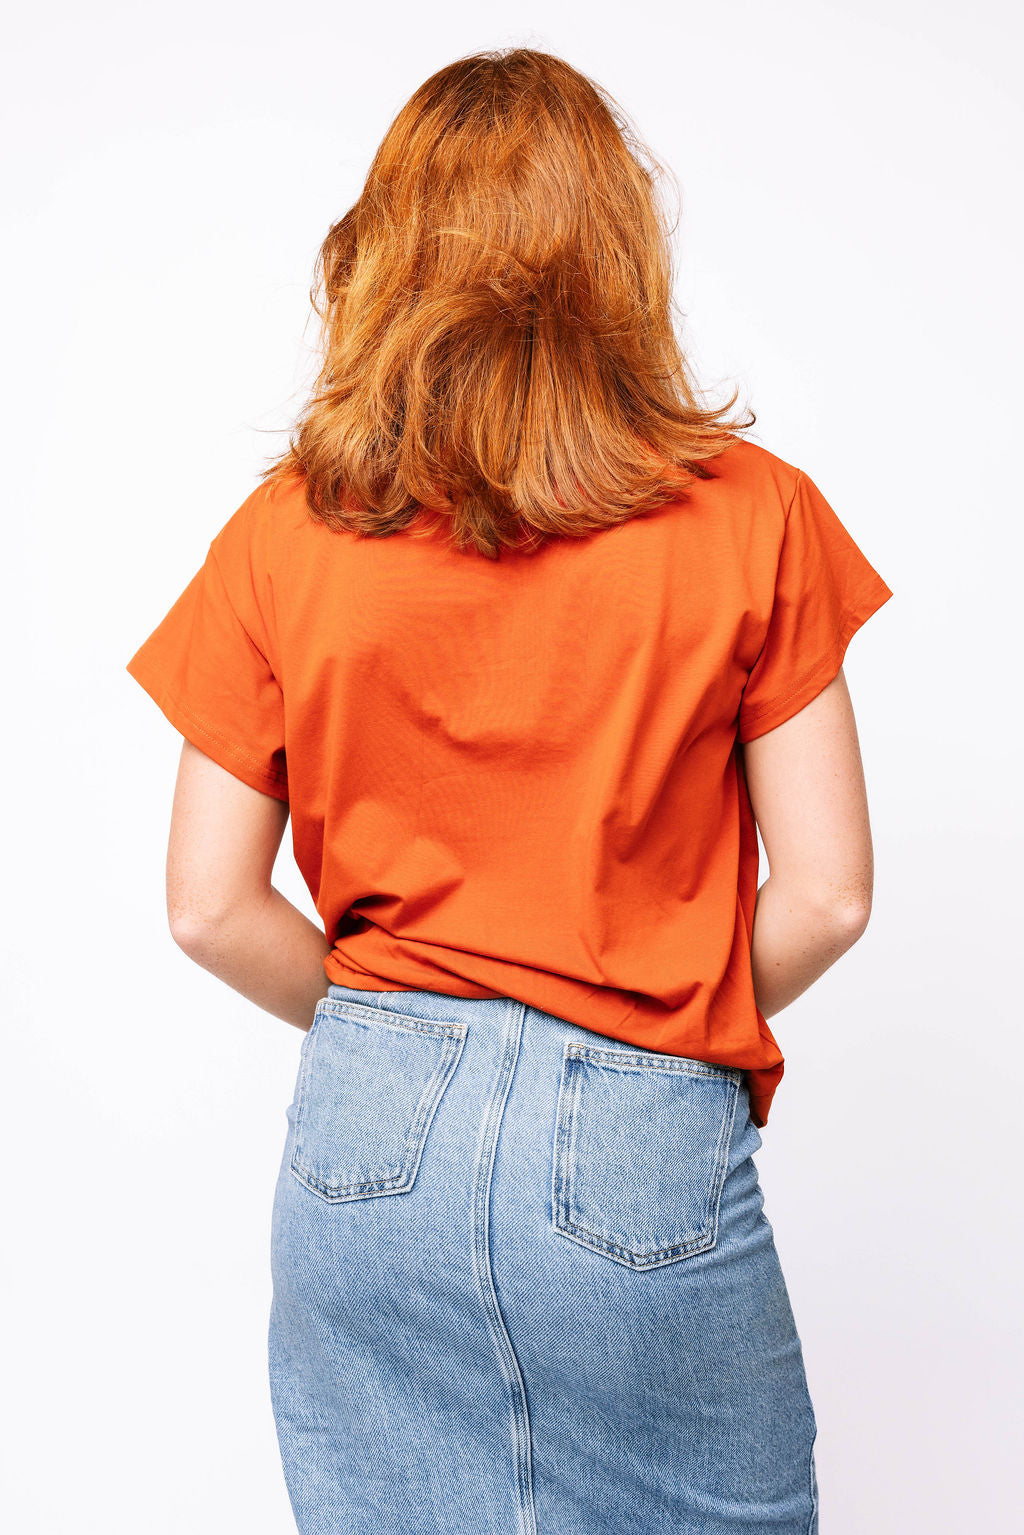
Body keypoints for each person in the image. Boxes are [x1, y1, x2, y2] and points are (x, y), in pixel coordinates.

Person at [125, 46, 892, 1535]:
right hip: (640, 1107)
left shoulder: (284, 532)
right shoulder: (756, 515)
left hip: (367, 1125)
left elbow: (209, 907)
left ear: (382, 253)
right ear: (617, 251)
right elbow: (831, 894)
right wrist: (661, 1016)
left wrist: (395, 1024)